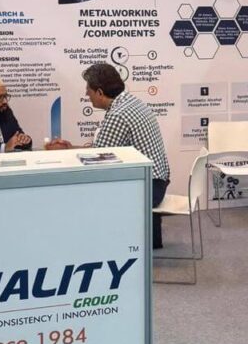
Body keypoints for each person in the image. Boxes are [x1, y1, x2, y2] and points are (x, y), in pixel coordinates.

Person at [48, 63, 170, 248]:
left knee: (83, 190)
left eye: (88, 90)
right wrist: (71, 147)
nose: (86, 94)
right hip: (157, 182)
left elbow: (98, 159)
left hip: (148, 188)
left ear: (99, 92)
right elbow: (103, 150)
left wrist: (67, 152)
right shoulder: (132, 102)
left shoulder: (118, 114)